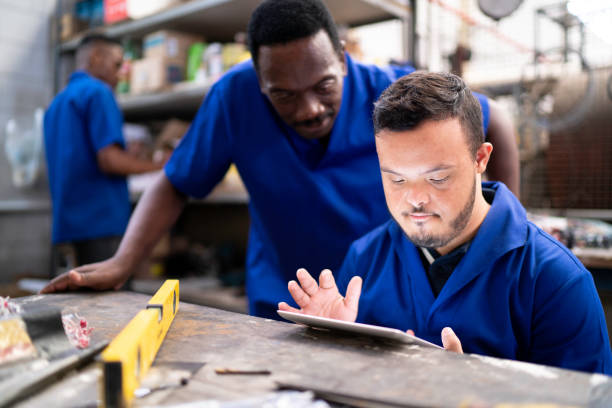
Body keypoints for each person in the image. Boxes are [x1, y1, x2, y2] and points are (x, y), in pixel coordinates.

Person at [41, 0, 519, 319]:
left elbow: (495, 121)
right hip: (283, 301)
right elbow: (175, 182)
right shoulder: (235, 98)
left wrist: (503, 231)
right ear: (259, 78)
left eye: (325, 87)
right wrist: (126, 261)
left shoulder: (389, 93)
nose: (309, 109)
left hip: (383, 301)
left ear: (343, 58)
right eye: (283, 95)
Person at [279, 71, 612, 374]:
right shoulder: (365, 259)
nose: (415, 200)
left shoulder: (556, 281)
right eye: (396, 180)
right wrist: (331, 351)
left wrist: (476, 395)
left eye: (437, 178)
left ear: (480, 158)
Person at [44, 34, 163, 267]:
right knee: (111, 302)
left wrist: (128, 154)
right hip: (102, 225)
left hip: (68, 226)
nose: (121, 74)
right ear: (96, 57)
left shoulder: (57, 103)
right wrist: (161, 166)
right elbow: (110, 161)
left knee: (75, 301)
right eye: (117, 64)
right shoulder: (98, 92)